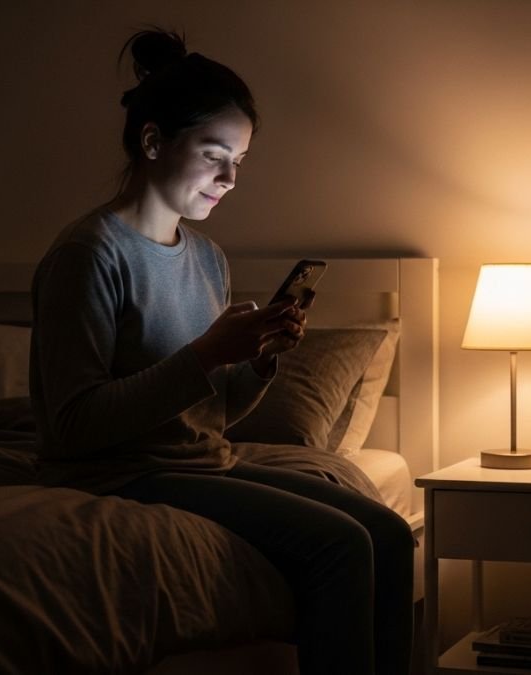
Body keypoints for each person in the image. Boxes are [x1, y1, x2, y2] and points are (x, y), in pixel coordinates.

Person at [28, 29, 413, 675]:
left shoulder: (207, 257)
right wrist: (206, 354)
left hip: (200, 460)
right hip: (114, 472)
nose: (231, 179)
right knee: (340, 545)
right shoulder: (88, 255)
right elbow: (72, 426)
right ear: (153, 142)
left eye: (239, 160)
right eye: (214, 155)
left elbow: (215, 415)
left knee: (390, 532)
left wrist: (259, 358)